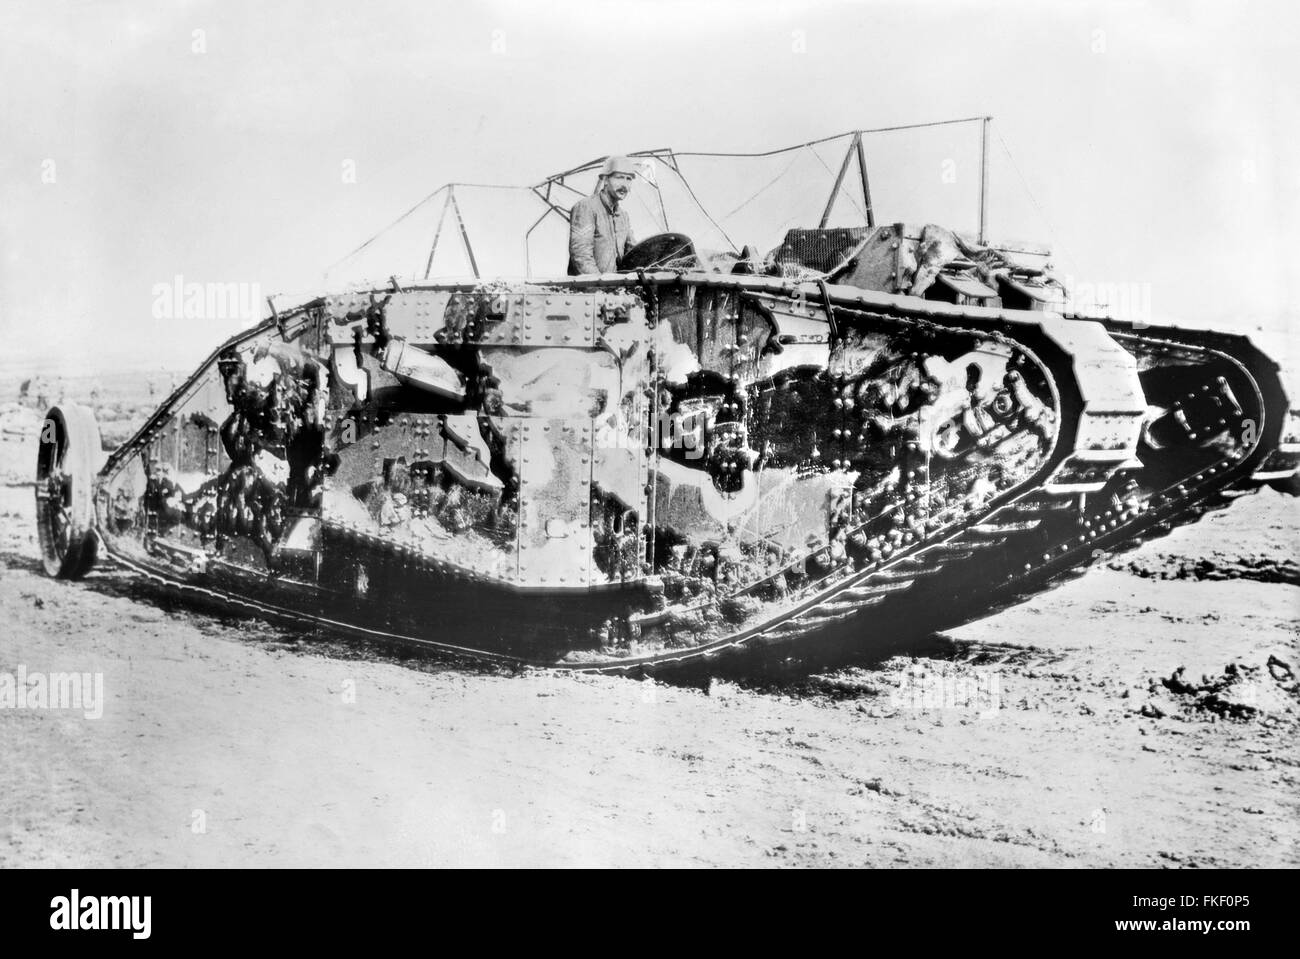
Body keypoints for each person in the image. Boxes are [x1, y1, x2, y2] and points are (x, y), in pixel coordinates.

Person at [567, 155, 638, 275]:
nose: (624, 185)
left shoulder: (623, 216)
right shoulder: (586, 207)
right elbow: (581, 256)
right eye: (619, 178)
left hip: (615, 288)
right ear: (605, 180)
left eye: (629, 179)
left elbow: (634, 254)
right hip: (588, 289)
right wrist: (602, 286)